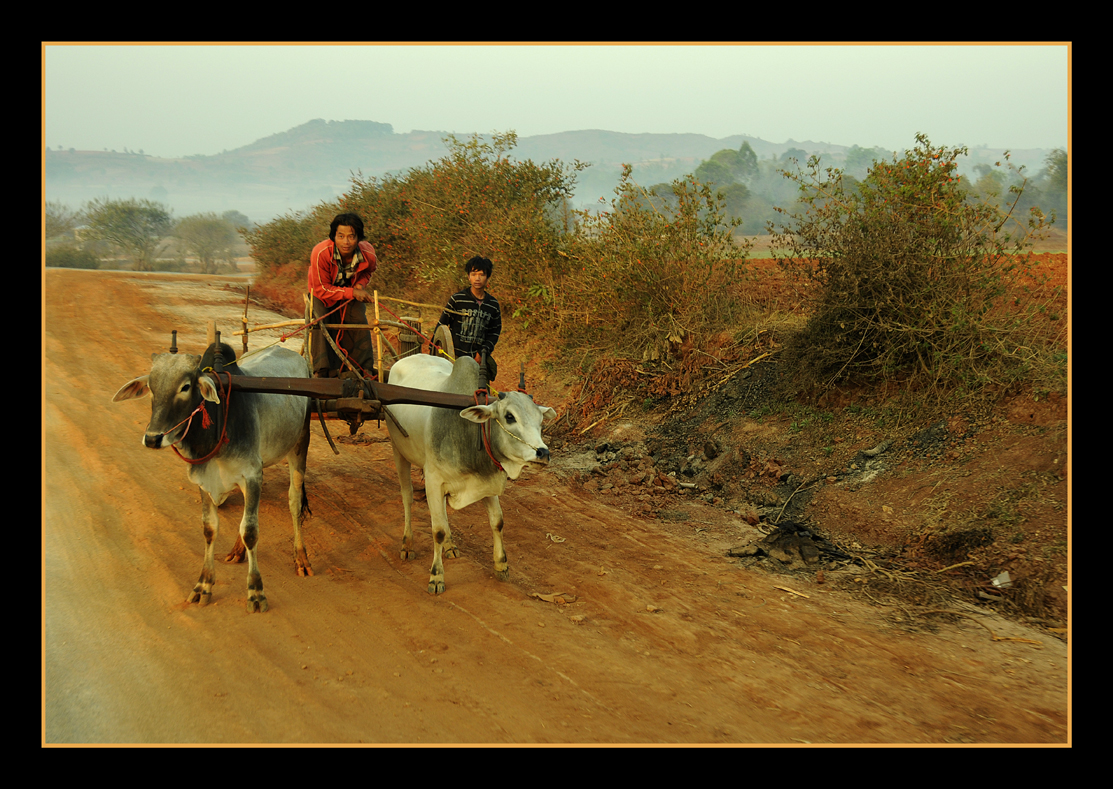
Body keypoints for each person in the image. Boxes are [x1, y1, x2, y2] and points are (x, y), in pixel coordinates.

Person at [307, 213, 378, 378]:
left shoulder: (368, 254)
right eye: (341, 236)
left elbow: (368, 272)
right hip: (322, 293)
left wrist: (359, 286)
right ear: (334, 236)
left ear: (358, 238)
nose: (346, 242)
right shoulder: (321, 253)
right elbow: (321, 288)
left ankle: (363, 368)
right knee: (319, 321)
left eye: (351, 237)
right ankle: (322, 370)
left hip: (350, 291)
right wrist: (352, 292)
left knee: (359, 318)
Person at [434, 255, 502, 383]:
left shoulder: (493, 305)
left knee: (480, 395)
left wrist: (483, 352)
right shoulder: (457, 299)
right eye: (474, 274)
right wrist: (436, 350)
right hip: (454, 359)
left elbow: (494, 332)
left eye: (481, 274)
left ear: (487, 278)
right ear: (468, 276)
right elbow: (441, 326)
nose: (477, 278)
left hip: (478, 361)